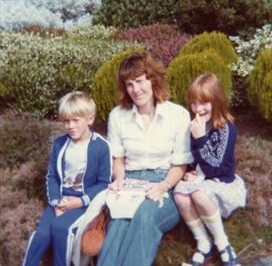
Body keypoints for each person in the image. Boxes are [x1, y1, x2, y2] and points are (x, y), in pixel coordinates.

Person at [97, 52, 193, 266]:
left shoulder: (178, 115)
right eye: (129, 84)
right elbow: (119, 159)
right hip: (131, 182)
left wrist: (163, 186)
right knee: (120, 220)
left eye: (140, 81)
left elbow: (180, 165)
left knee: (145, 217)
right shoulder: (117, 116)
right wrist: (119, 180)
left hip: (165, 183)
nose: (135, 89)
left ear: (153, 80)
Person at [22, 91, 111, 266]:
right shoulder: (59, 144)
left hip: (84, 203)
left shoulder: (101, 147)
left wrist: (80, 201)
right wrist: (56, 202)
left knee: (61, 228)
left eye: (76, 120)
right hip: (61, 200)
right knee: (41, 235)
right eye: (66, 121)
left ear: (90, 119)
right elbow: (52, 176)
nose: (70, 126)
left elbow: (104, 183)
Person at [174, 73, 247, 266]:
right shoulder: (196, 125)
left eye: (205, 102)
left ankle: (223, 244)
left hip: (221, 181)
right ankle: (203, 244)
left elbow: (215, 167)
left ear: (217, 100)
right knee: (180, 194)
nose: (198, 109)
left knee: (198, 194)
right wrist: (188, 170)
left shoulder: (226, 129)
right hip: (202, 177)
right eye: (194, 103)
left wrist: (200, 138)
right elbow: (192, 156)